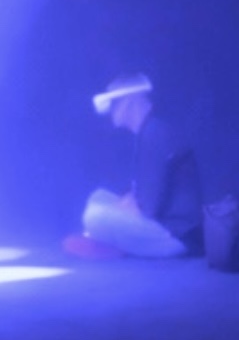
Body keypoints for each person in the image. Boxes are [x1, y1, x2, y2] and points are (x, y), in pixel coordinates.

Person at [65, 75, 203, 259]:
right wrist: (130, 202)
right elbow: (149, 191)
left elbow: (150, 209)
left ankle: (114, 245)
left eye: (115, 103)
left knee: (94, 216)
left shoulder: (154, 133)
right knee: (99, 197)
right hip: (171, 228)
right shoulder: (151, 130)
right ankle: (116, 242)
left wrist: (127, 207)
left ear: (130, 101)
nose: (111, 111)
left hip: (175, 236)